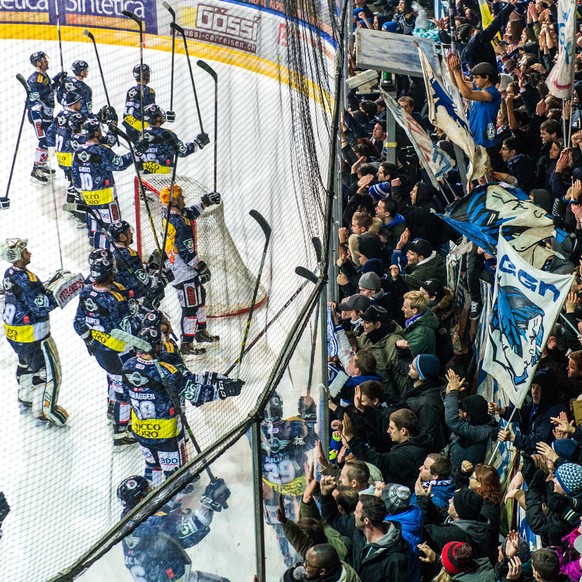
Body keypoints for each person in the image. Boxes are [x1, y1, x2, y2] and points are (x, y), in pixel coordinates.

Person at [121, 327, 244, 486]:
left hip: (141, 431)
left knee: (153, 466)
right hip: (166, 433)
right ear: (156, 346)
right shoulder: (166, 371)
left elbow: (125, 397)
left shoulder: (127, 366)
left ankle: (153, 498)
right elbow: (195, 394)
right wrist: (224, 390)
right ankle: (173, 502)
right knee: (177, 477)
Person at [73, 250, 138, 445]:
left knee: (113, 380)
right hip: (119, 352)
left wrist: (90, 341)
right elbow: (128, 327)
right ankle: (120, 431)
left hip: (101, 351)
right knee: (123, 390)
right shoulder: (114, 300)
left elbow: (78, 323)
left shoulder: (86, 291)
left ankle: (112, 409)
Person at [1, 238, 68, 426]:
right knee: (45, 371)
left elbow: (27, 296)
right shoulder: (26, 278)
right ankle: (42, 412)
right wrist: (62, 293)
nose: (29, 253)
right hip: (32, 334)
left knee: (25, 364)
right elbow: (42, 307)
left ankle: (25, 399)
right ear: (18, 256)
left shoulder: (9, 273)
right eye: (25, 251)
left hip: (14, 333)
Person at [116, 474, 232, 582]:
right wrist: (209, 505)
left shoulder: (128, 519)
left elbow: (159, 514)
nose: (153, 490)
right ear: (141, 499)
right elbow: (186, 535)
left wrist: (176, 490)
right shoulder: (150, 527)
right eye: (149, 490)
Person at [160, 184, 221, 354]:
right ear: (173, 200)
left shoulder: (171, 213)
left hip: (181, 269)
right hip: (183, 272)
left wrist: (205, 203)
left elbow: (189, 213)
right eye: (181, 197)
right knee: (190, 308)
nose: (184, 199)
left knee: (201, 299)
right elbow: (186, 252)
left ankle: (200, 333)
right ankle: (186, 344)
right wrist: (200, 267)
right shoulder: (178, 223)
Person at [71, 117, 133, 249]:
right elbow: (119, 164)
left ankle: (97, 250)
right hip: (106, 200)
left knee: (96, 228)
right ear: (97, 133)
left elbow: (76, 182)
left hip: (88, 200)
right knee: (114, 230)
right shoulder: (101, 150)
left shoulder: (77, 152)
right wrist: (134, 153)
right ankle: (114, 256)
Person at [135, 104, 210, 174]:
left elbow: (136, 155)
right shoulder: (166, 134)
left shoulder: (141, 134)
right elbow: (183, 152)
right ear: (158, 118)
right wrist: (198, 142)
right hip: (164, 181)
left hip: (144, 181)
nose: (163, 115)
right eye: (161, 114)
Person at [27, 51, 66, 184]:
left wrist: (56, 81)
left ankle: (41, 164)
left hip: (47, 116)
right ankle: (36, 170)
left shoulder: (43, 76)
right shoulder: (34, 80)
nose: (47, 61)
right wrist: (40, 119)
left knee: (48, 140)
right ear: (38, 63)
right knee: (44, 141)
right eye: (44, 60)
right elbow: (34, 101)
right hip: (40, 116)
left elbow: (47, 91)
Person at [281, 543, 361, 581]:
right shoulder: (330, 564)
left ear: (322, 571)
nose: (303, 565)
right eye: (305, 560)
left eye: (308, 564)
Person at [123, 63, 156, 142]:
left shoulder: (132, 91)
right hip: (141, 130)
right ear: (146, 75)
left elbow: (127, 115)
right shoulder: (150, 92)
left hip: (133, 129)